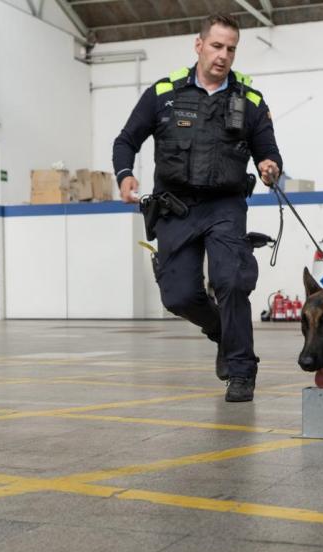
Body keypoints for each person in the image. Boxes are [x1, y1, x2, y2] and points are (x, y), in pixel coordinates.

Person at [112, 13, 283, 403]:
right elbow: (126, 140)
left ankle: (242, 371)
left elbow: (268, 151)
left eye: (231, 49)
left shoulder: (251, 101)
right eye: (217, 46)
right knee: (178, 296)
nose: (223, 55)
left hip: (225, 205)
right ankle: (223, 332)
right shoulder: (164, 93)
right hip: (175, 208)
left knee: (232, 282)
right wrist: (125, 176)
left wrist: (270, 166)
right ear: (199, 44)